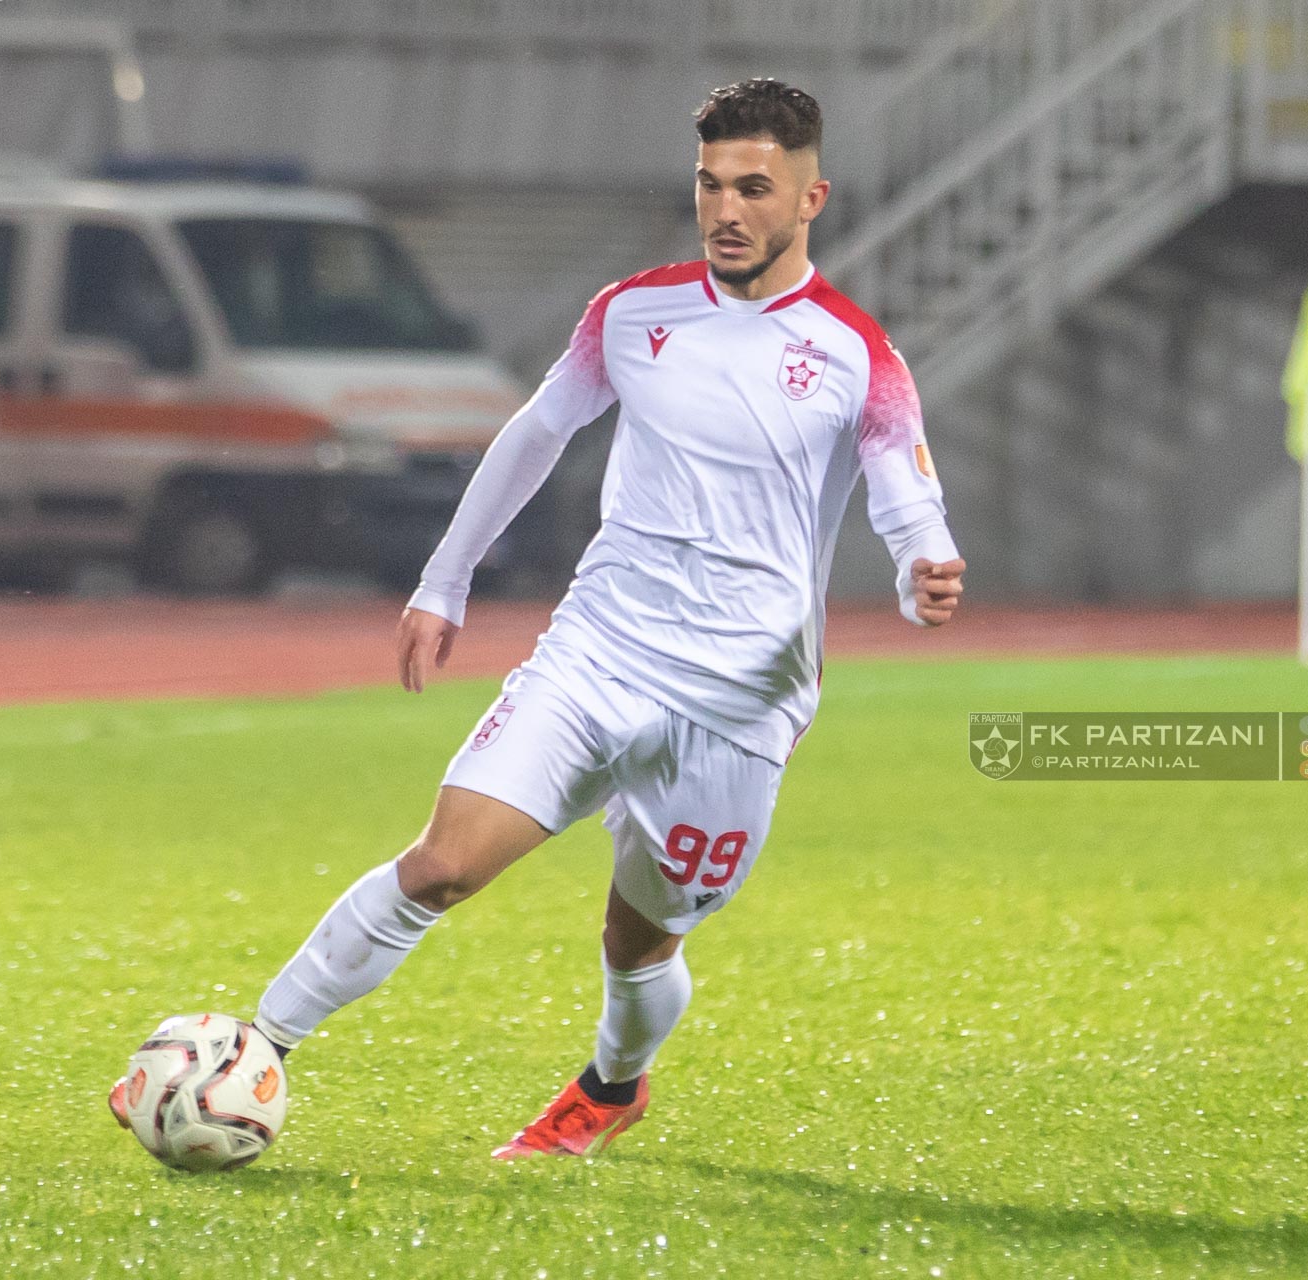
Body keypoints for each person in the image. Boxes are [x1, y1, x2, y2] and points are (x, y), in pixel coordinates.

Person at [113, 77, 965, 1159]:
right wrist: (445, 578)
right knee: (443, 862)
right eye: (709, 185)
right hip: (599, 652)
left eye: (754, 189)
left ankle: (612, 1086)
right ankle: (254, 1045)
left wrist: (923, 564)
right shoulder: (632, 313)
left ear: (811, 199)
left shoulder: (857, 353)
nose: (726, 210)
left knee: (640, 939)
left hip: (740, 700)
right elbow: (535, 431)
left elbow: (905, 491)